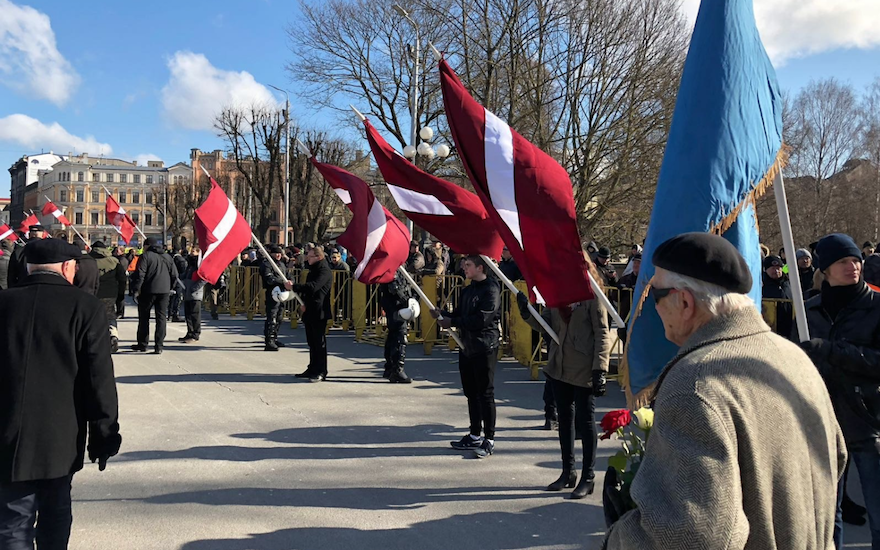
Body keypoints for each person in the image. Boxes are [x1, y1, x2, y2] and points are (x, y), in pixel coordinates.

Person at [604, 232, 846, 550]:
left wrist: (621, 536)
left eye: (655, 295)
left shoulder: (695, 383)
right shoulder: (792, 357)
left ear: (685, 301)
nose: (653, 306)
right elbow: (837, 458)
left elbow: (695, 536)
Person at [0, 239, 121, 549]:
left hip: (6, 429)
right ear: (69, 267)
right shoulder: (85, 306)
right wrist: (105, 434)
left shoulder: (4, 303)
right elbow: (98, 377)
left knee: (12, 521)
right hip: (60, 433)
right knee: (55, 512)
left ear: (27, 267)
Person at [799, 233, 880, 549]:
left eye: (855, 260)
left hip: (868, 420)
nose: (853, 267)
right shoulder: (809, 311)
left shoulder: (876, 307)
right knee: (826, 521)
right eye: (843, 262)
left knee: (878, 512)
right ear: (826, 269)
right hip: (822, 422)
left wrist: (833, 351)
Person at [516, 254, 610, 499]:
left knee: (586, 422)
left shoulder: (593, 295)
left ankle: (588, 477)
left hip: (584, 367)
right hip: (559, 366)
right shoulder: (558, 293)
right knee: (565, 420)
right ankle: (568, 471)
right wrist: (527, 313)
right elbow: (546, 325)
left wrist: (600, 369)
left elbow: (602, 333)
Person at [432, 255, 502, 458]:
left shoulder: (491, 289)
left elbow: (481, 319)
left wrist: (452, 321)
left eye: (468, 265)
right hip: (467, 346)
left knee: (485, 393)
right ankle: (474, 434)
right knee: (471, 392)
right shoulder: (468, 289)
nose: (464, 268)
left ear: (481, 267)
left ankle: (489, 438)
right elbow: (461, 314)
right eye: (464, 265)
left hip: (485, 346)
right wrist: (442, 314)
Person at [290, 247, 332, 381]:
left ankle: (321, 370)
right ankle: (312, 367)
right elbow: (309, 291)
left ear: (318, 257)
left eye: (310, 257)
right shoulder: (313, 270)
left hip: (319, 311)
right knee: (312, 342)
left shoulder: (324, 270)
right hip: (310, 310)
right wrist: (304, 304)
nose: (308, 259)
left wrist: (294, 287)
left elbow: (314, 287)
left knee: (319, 343)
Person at [130, 237, 178, 354]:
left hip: (148, 291)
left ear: (147, 246)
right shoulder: (168, 257)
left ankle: (143, 344)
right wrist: (170, 287)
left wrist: (136, 289)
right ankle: (159, 346)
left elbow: (141, 274)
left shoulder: (146, 256)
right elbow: (174, 275)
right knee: (161, 318)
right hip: (164, 291)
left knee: (144, 318)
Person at [89, 241, 127, 352]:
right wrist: (120, 294)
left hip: (93, 294)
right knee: (110, 316)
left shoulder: (89, 260)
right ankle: (113, 335)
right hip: (110, 294)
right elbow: (122, 279)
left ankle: (95, 340)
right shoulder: (114, 261)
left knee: (93, 318)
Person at [379, 269, 415, 383]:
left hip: (393, 304)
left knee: (393, 335)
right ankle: (397, 370)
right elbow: (395, 287)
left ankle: (389, 367)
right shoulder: (394, 266)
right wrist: (406, 301)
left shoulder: (393, 265)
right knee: (400, 336)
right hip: (396, 305)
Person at [261, 245, 290, 352]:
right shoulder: (267, 264)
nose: (278, 255)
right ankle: (269, 340)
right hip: (272, 293)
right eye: (276, 253)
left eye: (279, 253)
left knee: (279, 317)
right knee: (272, 317)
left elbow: (288, 275)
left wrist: (291, 282)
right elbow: (269, 278)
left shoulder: (282, 264)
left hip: (283, 293)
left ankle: (275, 337)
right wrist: (282, 282)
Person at [761, 255, 793, 338]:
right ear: (766, 270)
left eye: (778, 268)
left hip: (790, 326)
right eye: (772, 268)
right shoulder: (761, 285)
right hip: (770, 327)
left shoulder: (788, 283)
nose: (776, 271)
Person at [180, 249, 206, 344]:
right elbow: (186, 275)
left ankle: (195, 334)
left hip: (195, 294)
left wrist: (195, 287)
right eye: (192, 251)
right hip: (187, 292)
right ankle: (189, 332)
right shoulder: (190, 265)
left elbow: (204, 279)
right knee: (188, 314)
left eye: (194, 251)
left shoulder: (200, 265)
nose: (192, 253)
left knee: (195, 315)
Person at [169, 248, 188, 322]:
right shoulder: (180, 259)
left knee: (171, 297)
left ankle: (170, 313)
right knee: (177, 297)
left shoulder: (169, 257)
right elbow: (183, 270)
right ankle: (175, 314)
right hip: (178, 280)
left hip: (170, 279)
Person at [113, 246, 129, 318]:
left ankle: (120, 312)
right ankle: (119, 312)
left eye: (117, 251)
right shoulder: (120, 259)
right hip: (120, 280)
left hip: (120, 280)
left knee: (120, 297)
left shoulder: (122, 259)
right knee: (119, 297)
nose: (116, 252)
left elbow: (121, 270)